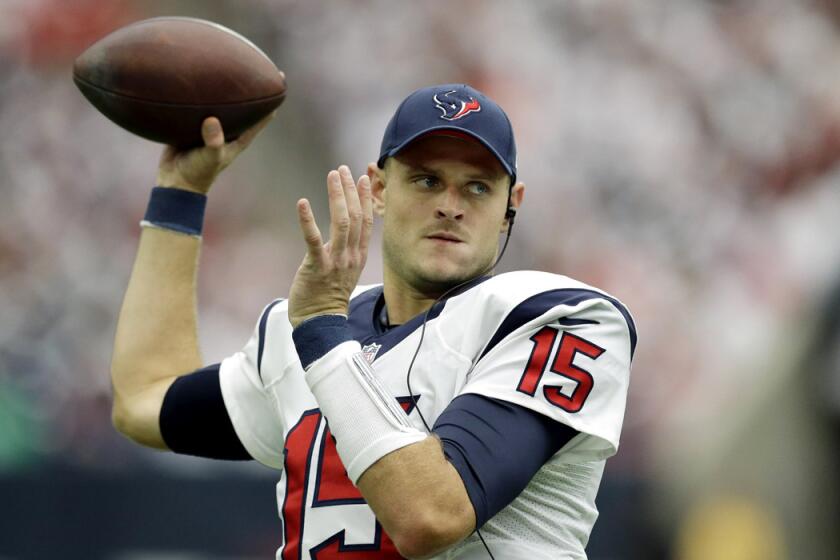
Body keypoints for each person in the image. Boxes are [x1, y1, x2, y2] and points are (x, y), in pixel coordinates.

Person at [110, 84, 636, 560]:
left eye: (477, 187)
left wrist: (321, 331)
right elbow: (142, 401)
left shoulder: (560, 317)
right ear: (379, 189)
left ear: (509, 207)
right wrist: (180, 194)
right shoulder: (301, 334)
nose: (450, 206)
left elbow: (429, 517)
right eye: (427, 180)